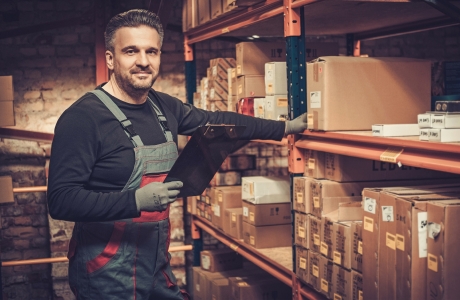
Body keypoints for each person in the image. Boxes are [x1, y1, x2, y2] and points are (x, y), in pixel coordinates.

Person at [47, 8, 307, 300]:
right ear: (110, 58)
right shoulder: (83, 119)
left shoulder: (163, 107)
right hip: (105, 271)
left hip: (154, 265)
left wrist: (283, 127)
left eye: (151, 51)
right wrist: (135, 200)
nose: (143, 62)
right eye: (131, 51)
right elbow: (61, 200)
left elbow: (220, 122)